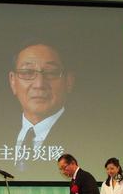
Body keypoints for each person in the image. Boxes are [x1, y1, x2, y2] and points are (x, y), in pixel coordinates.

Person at [7, 42, 76, 172]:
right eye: (27, 72)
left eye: (51, 73)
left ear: (69, 81)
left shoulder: (86, 136)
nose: (39, 84)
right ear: (12, 81)